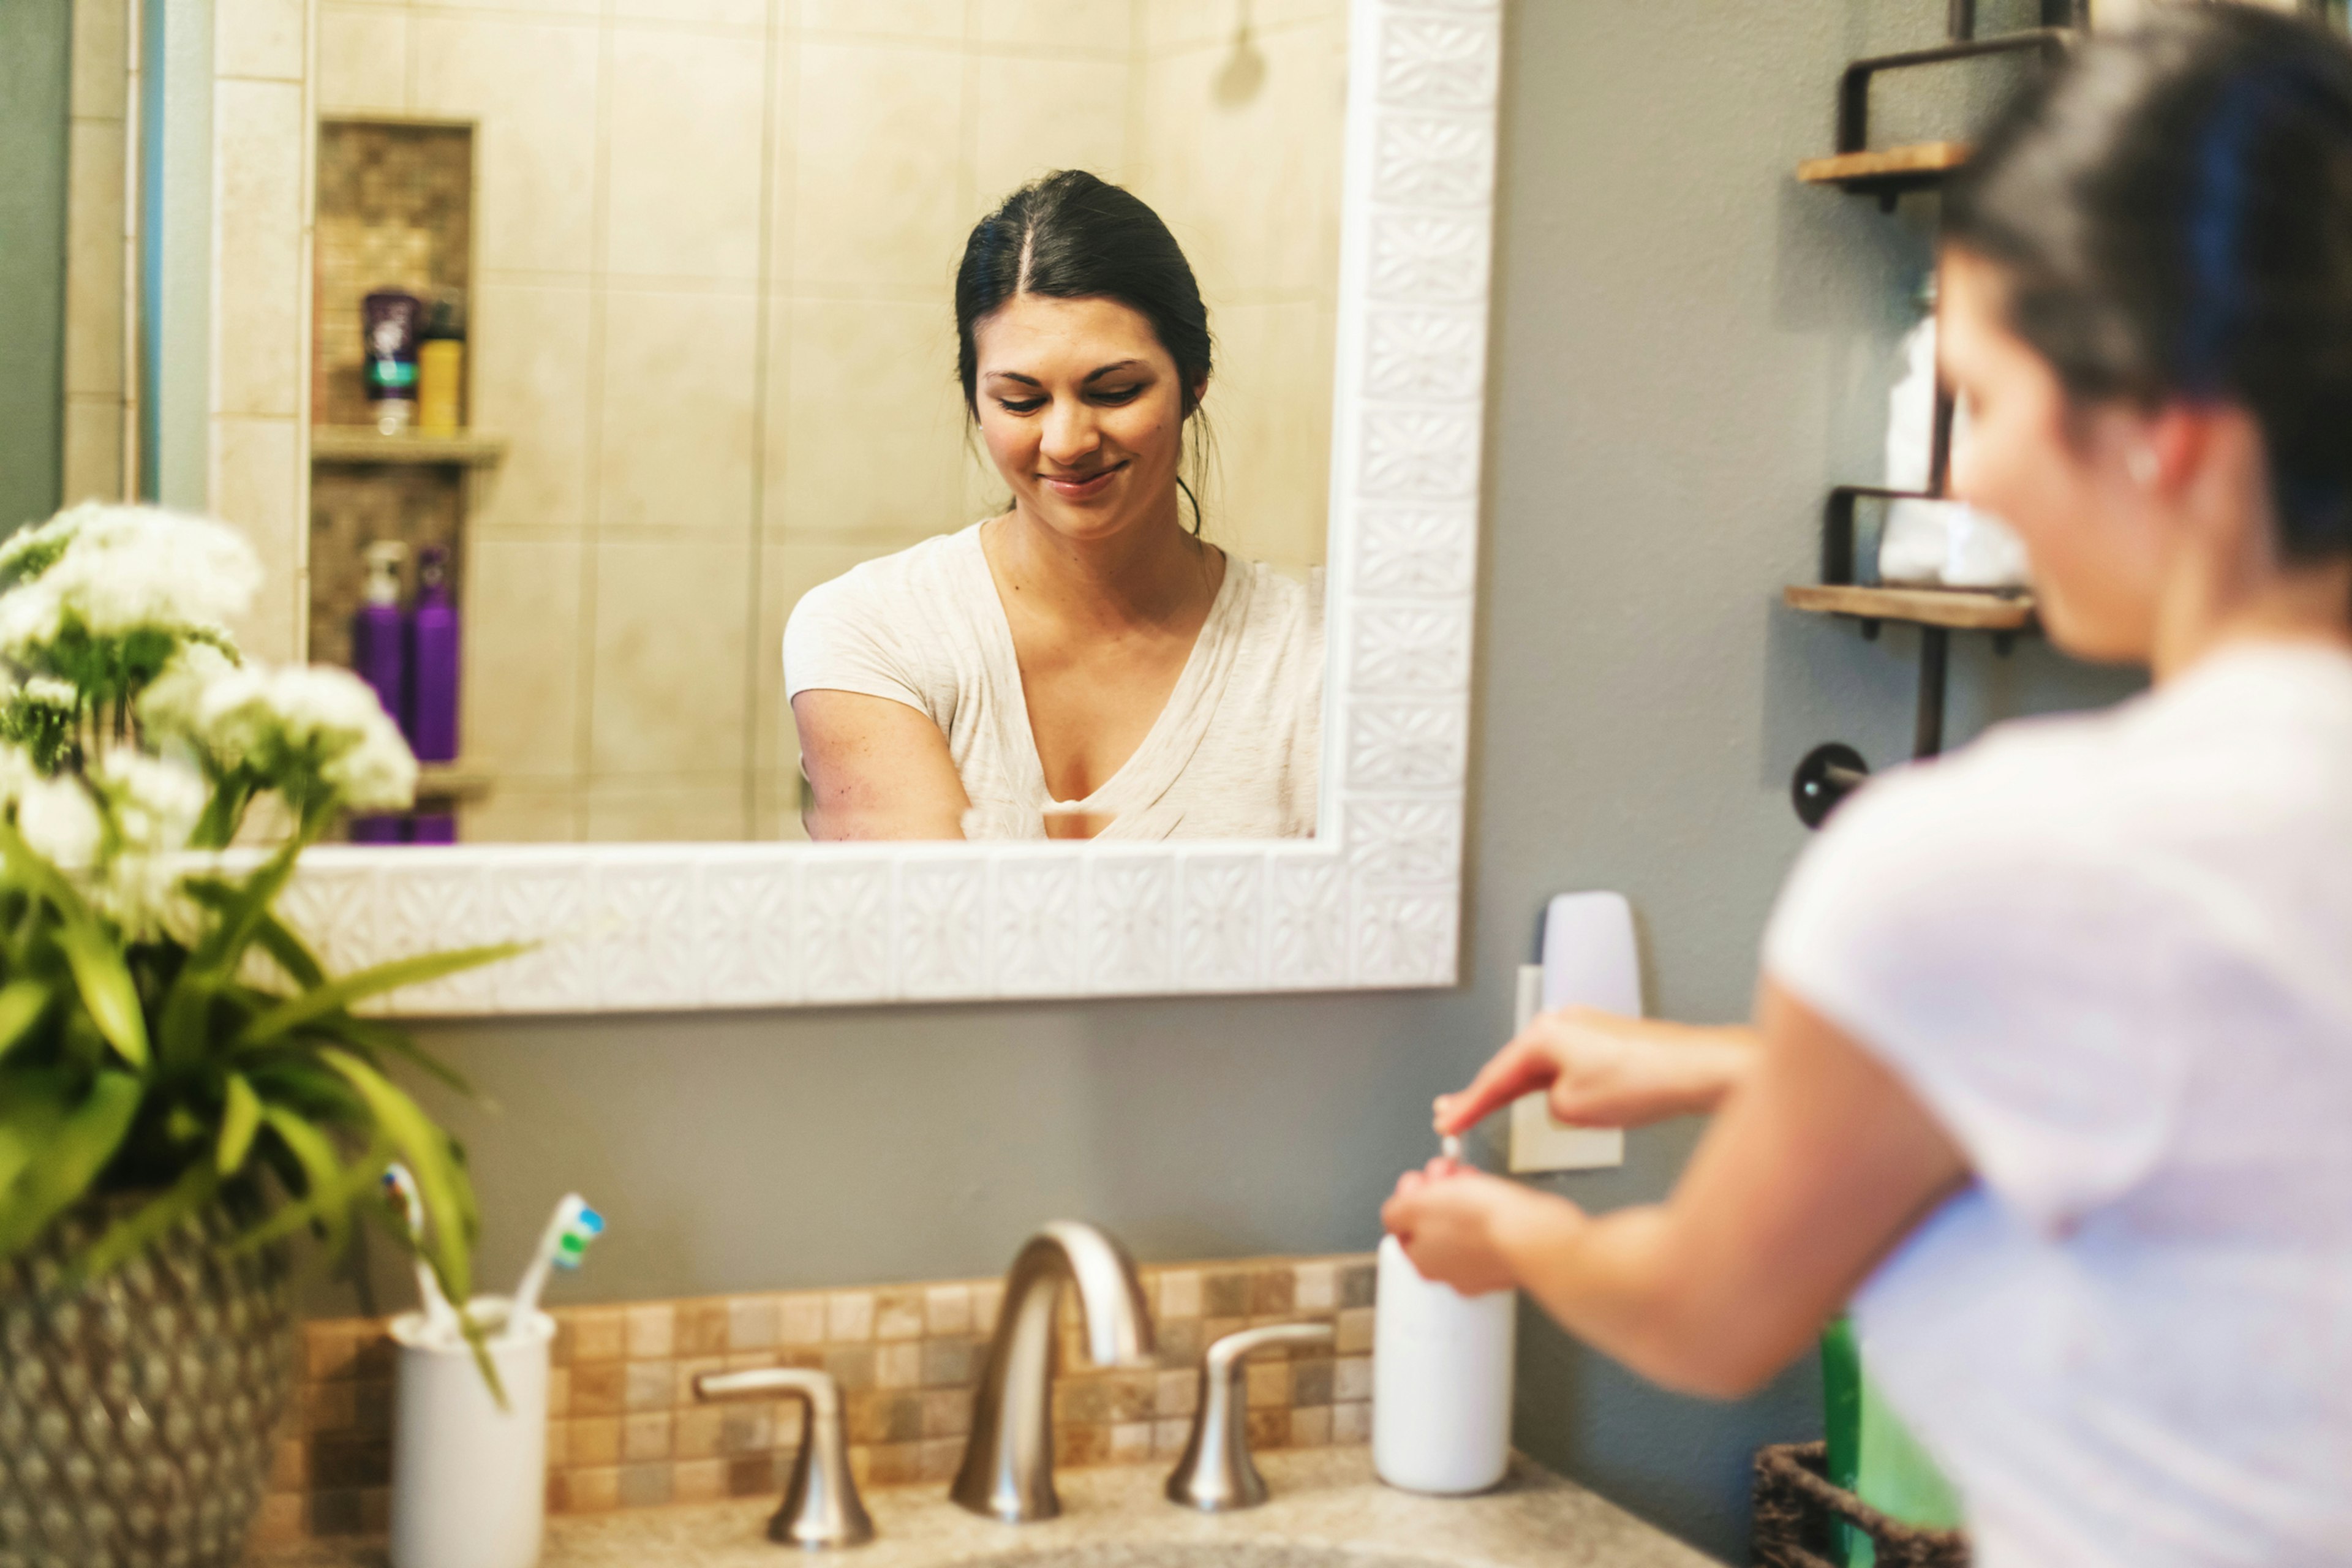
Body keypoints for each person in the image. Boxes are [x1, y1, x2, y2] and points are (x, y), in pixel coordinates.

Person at [1384, 10, 2352, 1564]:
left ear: (2160, 429)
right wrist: (1717, 1065)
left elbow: (1705, 1315)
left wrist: (1516, 1237)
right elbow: (2198, 1109)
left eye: (1982, 399)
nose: (1963, 482)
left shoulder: (2004, 851)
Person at [784, 171, 1324, 842]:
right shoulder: (872, 628)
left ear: (1193, 382)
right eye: (1022, 401)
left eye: (1115, 391)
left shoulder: (1321, 646)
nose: (1068, 443)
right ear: (974, 401)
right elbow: (929, 932)